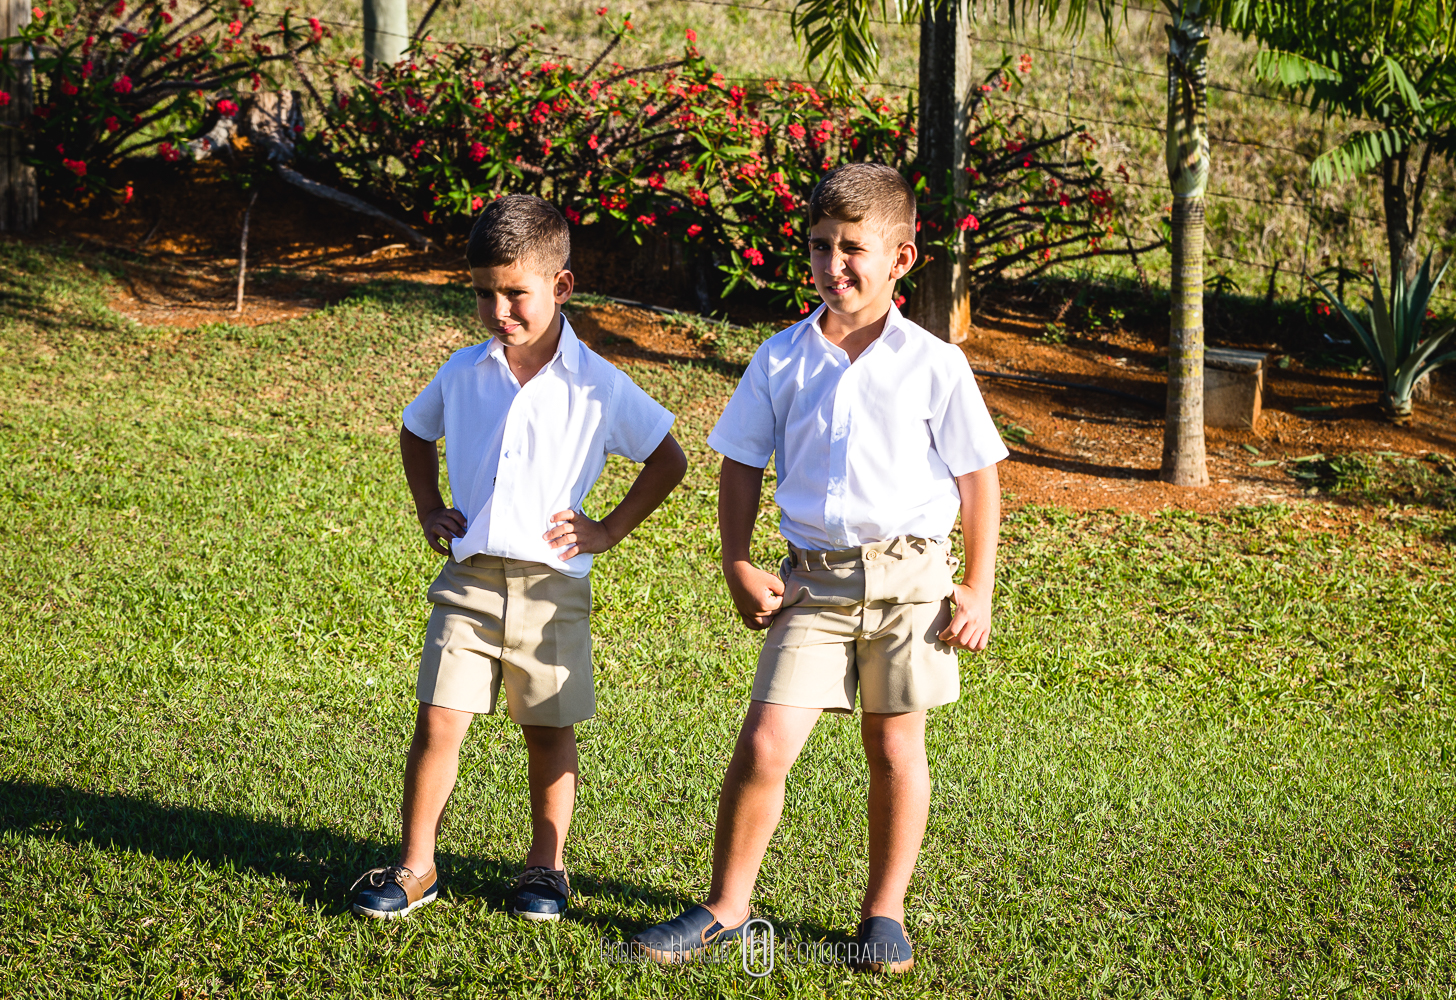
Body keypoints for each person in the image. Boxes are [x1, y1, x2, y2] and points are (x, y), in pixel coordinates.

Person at [631, 163, 1007, 973]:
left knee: (894, 748)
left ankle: (883, 915)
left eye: (853, 249)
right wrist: (737, 560)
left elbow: (979, 480)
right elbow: (740, 463)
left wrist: (977, 586)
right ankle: (727, 908)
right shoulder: (781, 358)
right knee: (766, 742)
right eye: (820, 246)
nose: (834, 264)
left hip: (911, 583)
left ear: (900, 259)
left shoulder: (935, 364)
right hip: (813, 582)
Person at [350, 195, 687, 921]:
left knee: (548, 730)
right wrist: (428, 506)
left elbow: (668, 458)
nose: (497, 310)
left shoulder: (598, 383)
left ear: (560, 286)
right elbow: (416, 431)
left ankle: (546, 868)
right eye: (483, 293)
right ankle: (416, 866)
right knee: (438, 721)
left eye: (514, 293)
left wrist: (608, 530)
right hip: (468, 581)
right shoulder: (463, 371)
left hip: (551, 588)